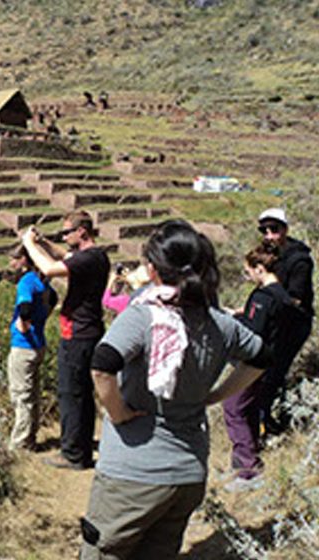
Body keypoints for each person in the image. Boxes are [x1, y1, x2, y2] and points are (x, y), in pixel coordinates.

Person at [80, 220, 269, 559]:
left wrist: (119, 413)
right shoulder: (221, 324)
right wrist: (215, 395)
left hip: (133, 474)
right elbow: (260, 357)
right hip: (187, 472)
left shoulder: (145, 316)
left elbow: (102, 364)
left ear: (153, 269)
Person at [22, 210, 110, 469]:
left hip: (78, 337)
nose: (64, 236)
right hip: (88, 333)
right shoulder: (96, 257)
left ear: (81, 231)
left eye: (66, 232)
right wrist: (45, 243)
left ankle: (72, 454)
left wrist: (28, 244)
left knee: (71, 394)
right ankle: (80, 448)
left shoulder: (88, 259)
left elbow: (50, 267)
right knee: (81, 394)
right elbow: (65, 255)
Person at [222, 243, 295, 491]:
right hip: (273, 360)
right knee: (249, 407)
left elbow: (254, 333)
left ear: (260, 269)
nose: (248, 277)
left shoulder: (263, 297)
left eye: (248, 271)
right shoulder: (284, 296)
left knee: (233, 407)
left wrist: (234, 323)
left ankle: (248, 468)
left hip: (254, 361)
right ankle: (249, 456)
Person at [257, 208, 314, 435]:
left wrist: (270, 286)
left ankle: (265, 419)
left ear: (285, 229)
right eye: (264, 230)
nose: (269, 235)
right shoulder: (271, 253)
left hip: (293, 324)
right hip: (273, 321)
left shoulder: (300, 260)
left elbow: (296, 299)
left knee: (274, 371)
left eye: (274, 229)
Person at [7, 245, 58, 451]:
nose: (11, 263)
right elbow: (53, 299)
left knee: (21, 395)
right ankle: (30, 437)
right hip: (38, 344)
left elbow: (25, 306)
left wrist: (24, 323)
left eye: (14, 258)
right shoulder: (43, 282)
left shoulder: (26, 281)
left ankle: (20, 444)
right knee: (33, 394)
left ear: (24, 260)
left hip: (24, 345)